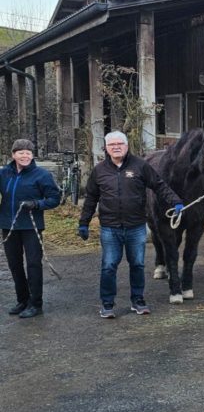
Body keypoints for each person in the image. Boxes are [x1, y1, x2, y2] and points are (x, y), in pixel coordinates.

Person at [78, 131, 184, 318]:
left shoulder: (140, 166)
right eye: (112, 145)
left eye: (120, 144)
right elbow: (91, 198)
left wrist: (175, 201)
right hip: (110, 228)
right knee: (109, 265)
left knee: (137, 264)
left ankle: (138, 301)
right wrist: (84, 222)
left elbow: (159, 185)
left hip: (136, 226)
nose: (116, 147)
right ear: (106, 148)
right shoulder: (99, 170)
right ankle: (108, 304)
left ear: (127, 146)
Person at [1, 139, 60, 318]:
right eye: (21, 152)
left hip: (31, 227)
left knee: (33, 264)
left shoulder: (41, 175)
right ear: (13, 155)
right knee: (14, 264)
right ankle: (23, 300)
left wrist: (36, 203)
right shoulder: (4, 173)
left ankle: (36, 304)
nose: (25, 155)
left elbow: (54, 198)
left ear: (32, 155)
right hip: (9, 225)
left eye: (28, 152)